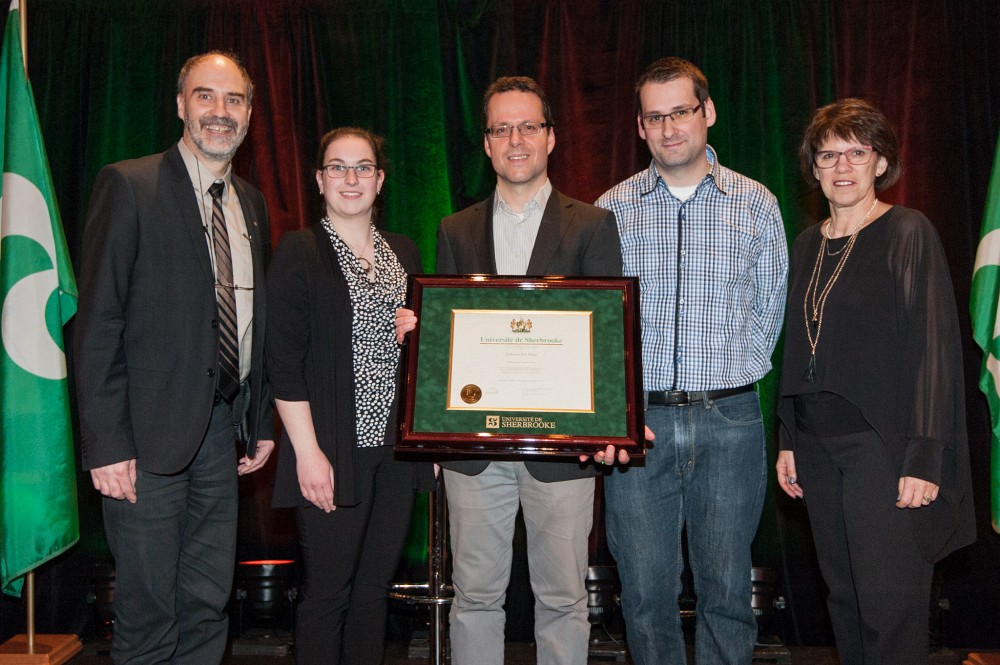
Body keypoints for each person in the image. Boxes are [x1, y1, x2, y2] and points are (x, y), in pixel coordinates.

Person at [396, 76, 622, 665]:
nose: (515, 140)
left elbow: (605, 340)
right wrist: (432, 400)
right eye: (501, 129)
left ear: (551, 138)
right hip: (476, 454)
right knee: (473, 599)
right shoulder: (456, 229)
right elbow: (445, 343)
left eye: (528, 126)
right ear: (489, 144)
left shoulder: (592, 225)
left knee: (565, 599)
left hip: (564, 452)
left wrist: (606, 426)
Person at [74, 51, 275, 664]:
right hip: (143, 441)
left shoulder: (252, 203)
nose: (220, 111)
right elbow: (98, 322)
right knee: (148, 609)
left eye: (234, 99)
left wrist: (258, 421)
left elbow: (251, 324)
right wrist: (106, 444)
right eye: (206, 96)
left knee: (208, 602)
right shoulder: (128, 184)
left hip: (221, 437)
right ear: (181, 104)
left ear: (248, 113)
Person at [595, 57, 788, 665]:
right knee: (645, 596)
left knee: (727, 592)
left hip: (729, 422)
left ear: (707, 113)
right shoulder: (610, 209)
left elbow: (770, 308)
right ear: (640, 127)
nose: (669, 127)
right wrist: (618, 406)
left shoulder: (756, 204)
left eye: (680, 111)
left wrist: (730, 378)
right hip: (640, 426)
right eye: (656, 116)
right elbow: (598, 322)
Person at [775, 98, 975, 665]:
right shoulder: (808, 243)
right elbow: (797, 346)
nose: (842, 166)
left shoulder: (908, 231)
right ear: (813, 167)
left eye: (856, 153)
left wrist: (925, 456)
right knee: (843, 600)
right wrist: (788, 437)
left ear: (880, 162)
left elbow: (935, 349)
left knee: (889, 609)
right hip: (815, 446)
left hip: (882, 449)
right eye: (828, 154)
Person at [266, 127, 434, 665]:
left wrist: (416, 332)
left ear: (380, 180)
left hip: (394, 453)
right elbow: (283, 364)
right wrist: (308, 455)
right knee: (328, 596)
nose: (351, 178)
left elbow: (419, 363)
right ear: (319, 179)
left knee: (371, 596)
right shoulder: (299, 250)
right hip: (332, 452)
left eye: (363, 167)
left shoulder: (403, 252)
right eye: (338, 167)